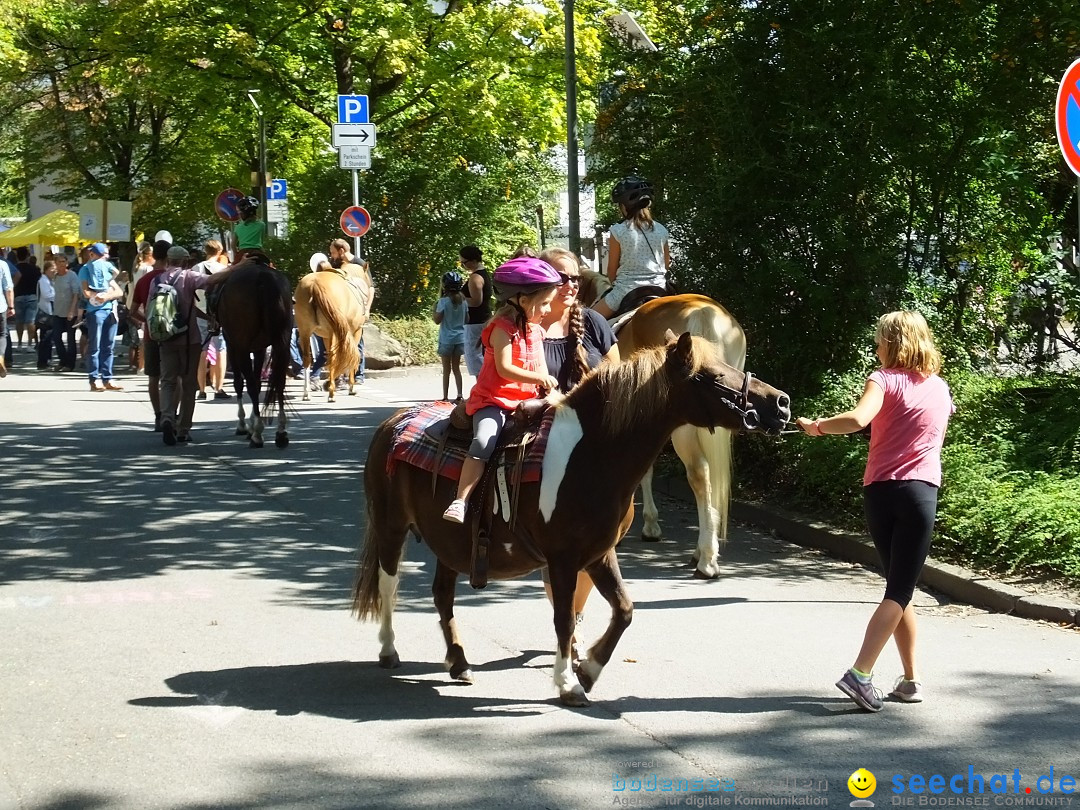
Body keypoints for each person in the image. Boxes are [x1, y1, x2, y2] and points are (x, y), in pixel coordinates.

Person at [797, 310, 954, 712]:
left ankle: (910, 679)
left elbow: (857, 420)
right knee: (899, 590)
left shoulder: (882, 379)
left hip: (879, 494)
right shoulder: (939, 388)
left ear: (894, 342)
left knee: (900, 589)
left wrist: (816, 426)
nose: (877, 347)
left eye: (880, 340)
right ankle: (861, 673)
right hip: (919, 494)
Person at [538, 246, 620, 649]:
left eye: (574, 278)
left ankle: (573, 616)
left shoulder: (594, 324)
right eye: (560, 277)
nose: (571, 285)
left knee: (598, 543)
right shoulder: (522, 324)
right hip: (541, 437)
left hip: (591, 446)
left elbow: (619, 382)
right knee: (562, 545)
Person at [442, 256, 560, 523]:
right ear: (521, 300)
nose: (547, 309)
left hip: (528, 399)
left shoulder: (537, 331)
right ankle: (460, 499)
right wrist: (541, 378)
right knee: (484, 440)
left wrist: (550, 391)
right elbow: (505, 368)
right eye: (543, 303)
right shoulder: (501, 328)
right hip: (494, 400)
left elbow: (540, 367)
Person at [151, 245, 237, 446]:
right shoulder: (189, 277)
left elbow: (151, 311)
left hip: (165, 338)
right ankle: (183, 429)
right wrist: (235, 267)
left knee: (168, 380)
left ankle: (166, 417)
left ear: (168, 260)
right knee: (189, 384)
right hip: (189, 339)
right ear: (184, 261)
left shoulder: (157, 280)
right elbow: (212, 281)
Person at [592, 176, 671, 319]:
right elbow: (666, 264)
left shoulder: (618, 231)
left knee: (587, 321)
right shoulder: (661, 230)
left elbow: (612, 270)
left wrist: (613, 282)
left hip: (626, 289)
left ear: (624, 206)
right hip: (660, 288)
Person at [128, 240, 173, 430]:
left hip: (151, 333)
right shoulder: (173, 278)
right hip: (173, 334)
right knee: (174, 376)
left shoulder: (144, 280)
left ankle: (157, 415)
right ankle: (171, 414)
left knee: (153, 376)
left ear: (154, 256)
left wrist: (146, 320)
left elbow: (132, 311)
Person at [78, 242, 124, 392]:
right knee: (96, 346)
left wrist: (105, 297)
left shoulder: (103, 269)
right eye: (103, 255)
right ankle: (94, 379)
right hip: (96, 311)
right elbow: (85, 291)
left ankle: (107, 378)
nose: (104, 258)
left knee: (108, 346)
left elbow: (119, 292)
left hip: (110, 310)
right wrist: (103, 296)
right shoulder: (85, 269)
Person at [192, 239, 230, 400]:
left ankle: (201, 389)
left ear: (205, 251)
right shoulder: (224, 269)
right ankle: (219, 388)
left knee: (202, 351)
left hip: (200, 313)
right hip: (219, 315)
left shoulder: (196, 268)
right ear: (220, 252)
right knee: (221, 350)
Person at [432, 270, 467, 402]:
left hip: (447, 339)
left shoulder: (443, 301)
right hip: (460, 338)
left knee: (446, 369)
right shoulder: (463, 301)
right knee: (456, 368)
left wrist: (434, 310)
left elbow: (437, 320)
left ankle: (445, 396)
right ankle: (459, 395)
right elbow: (467, 319)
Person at [460, 245, 491, 378]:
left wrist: (459, 299)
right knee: (480, 356)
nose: (462, 266)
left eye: (464, 262)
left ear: (473, 260)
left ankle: (481, 391)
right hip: (482, 319)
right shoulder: (484, 274)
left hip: (475, 322)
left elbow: (476, 301)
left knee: (475, 357)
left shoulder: (475, 277)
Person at [50, 255, 80, 373]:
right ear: (55, 263)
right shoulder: (55, 276)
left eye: (64, 261)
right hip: (58, 311)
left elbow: (76, 293)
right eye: (59, 262)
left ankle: (70, 364)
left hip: (70, 312)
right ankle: (62, 360)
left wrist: (72, 310)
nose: (62, 264)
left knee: (70, 339)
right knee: (56, 337)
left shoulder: (72, 276)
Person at [11, 247, 41, 350]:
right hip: (32, 296)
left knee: (19, 321)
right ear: (28, 256)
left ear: (17, 256)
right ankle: (29, 345)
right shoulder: (34, 269)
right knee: (31, 321)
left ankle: (19, 343)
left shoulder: (14, 268)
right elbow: (39, 282)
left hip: (18, 296)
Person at [35, 260, 56, 370]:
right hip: (46, 313)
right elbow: (47, 296)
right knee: (45, 338)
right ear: (46, 270)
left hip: (50, 312)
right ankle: (42, 362)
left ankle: (46, 360)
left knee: (48, 338)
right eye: (52, 269)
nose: (54, 271)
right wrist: (59, 295)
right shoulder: (43, 281)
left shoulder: (49, 280)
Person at [0, 252, 13, 378]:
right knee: (2, 334)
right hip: (0, 306)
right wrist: (11, 306)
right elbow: (8, 288)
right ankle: (0, 357)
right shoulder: (2, 264)